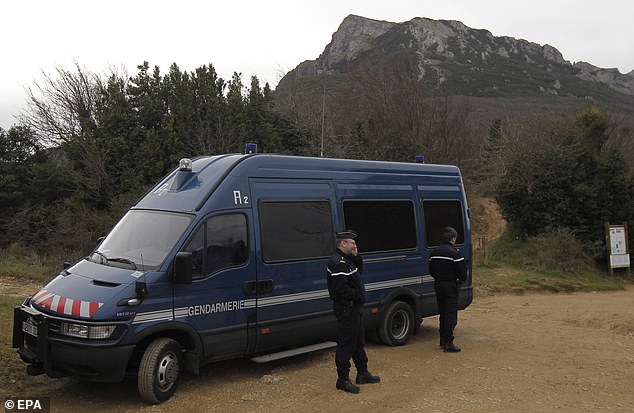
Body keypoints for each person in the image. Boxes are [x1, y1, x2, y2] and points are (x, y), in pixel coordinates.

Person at [326, 230, 380, 394]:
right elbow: (340, 290)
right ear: (342, 243)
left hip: (354, 308)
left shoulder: (347, 260)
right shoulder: (338, 262)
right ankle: (342, 379)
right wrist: (358, 296)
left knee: (358, 342)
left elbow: (359, 272)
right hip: (346, 308)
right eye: (352, 243)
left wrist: (356, 256)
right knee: (346, 344)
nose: (355, 245)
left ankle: (362, 373)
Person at [429, 226, 468, 353]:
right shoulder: (454, 254)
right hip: (450, 286)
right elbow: (462, 272)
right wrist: (459, 282)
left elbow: (431, 270)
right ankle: (449, 343)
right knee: (450, 314)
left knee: (443, 313)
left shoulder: (434, 253)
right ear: (453, 239)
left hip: (438, 285)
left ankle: (442, 340)